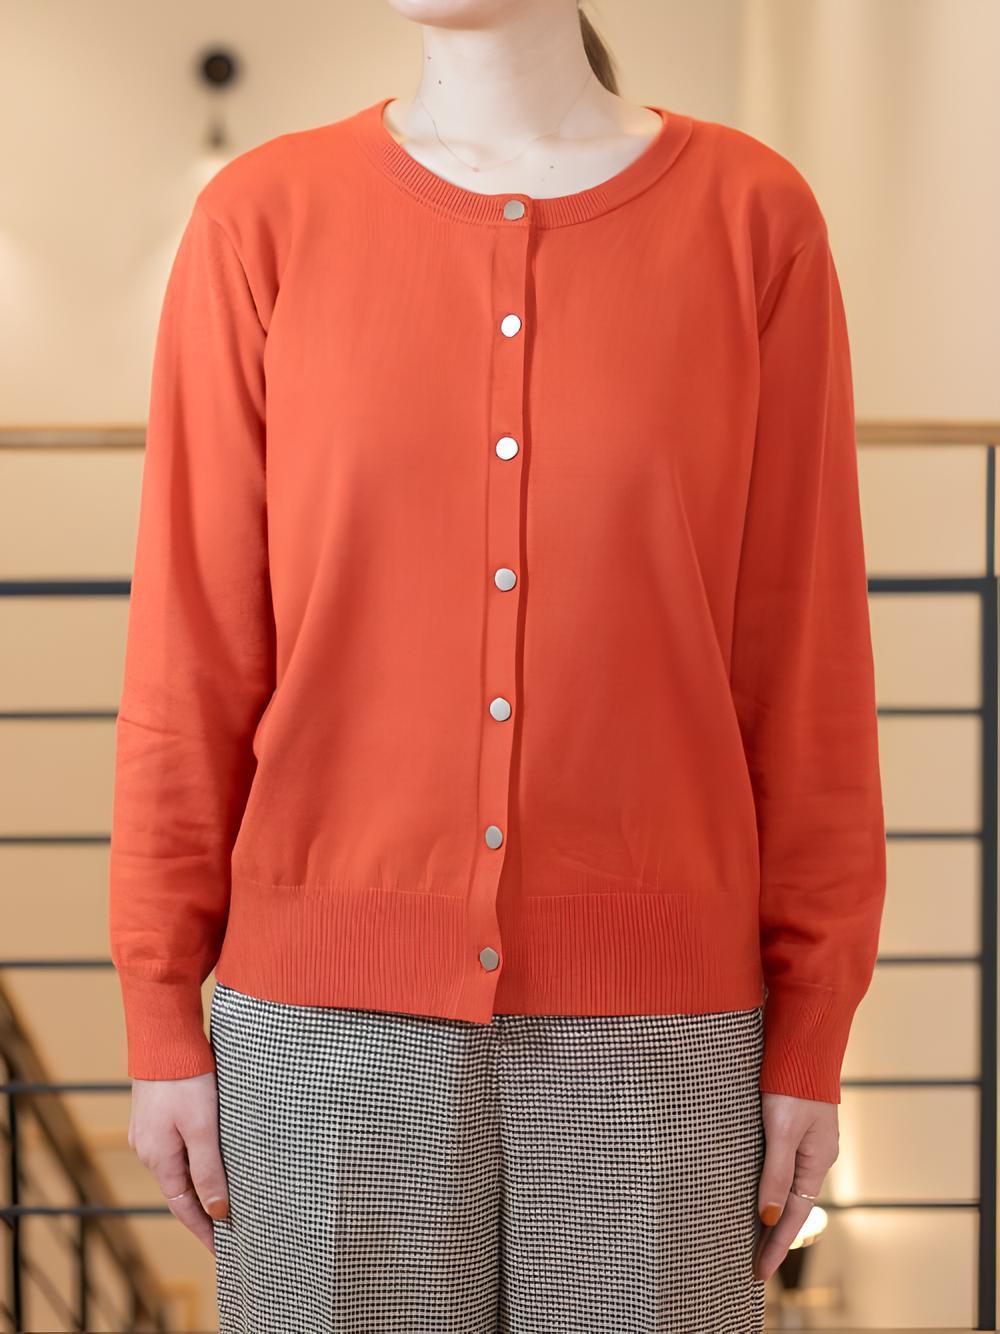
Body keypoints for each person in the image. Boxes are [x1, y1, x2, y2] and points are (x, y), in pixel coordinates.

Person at [109, 1, 887, 1329]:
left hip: (664, 1037)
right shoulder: (262, 219)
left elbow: (804, 657)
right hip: (318, 1029)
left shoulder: (754, 219)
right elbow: (192, 653)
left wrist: (813, 1022)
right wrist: (160, 1004)